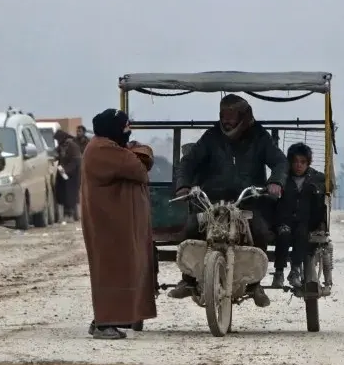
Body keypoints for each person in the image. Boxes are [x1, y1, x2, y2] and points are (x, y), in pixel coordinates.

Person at [168, 94, 288, 307]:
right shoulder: (211, 136)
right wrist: (183, 185)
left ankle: (255, 284)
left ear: (244, 116)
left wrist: (276, 181)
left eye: (231, 115)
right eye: (223, 115)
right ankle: (188, 280)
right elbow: (188, 162)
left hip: (247, 200)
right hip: (212, 201)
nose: (226, 120)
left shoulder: (260, 137)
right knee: (191, 228)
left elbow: (280, 161)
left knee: (260, 232)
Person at [81, 109, 157, 339]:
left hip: (116, 225)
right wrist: (137, 151)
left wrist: (135, 151)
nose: (128, 132)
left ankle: (114, 318)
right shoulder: (103, 149)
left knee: (122, 270)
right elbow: (139, 168)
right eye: (124, 127)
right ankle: (104, 323)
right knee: (110, 272)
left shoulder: (109, 147)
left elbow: (140, 158)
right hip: (108, 226)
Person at [271, 142, 328, 288]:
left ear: (308, 163)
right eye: (295, 161)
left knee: (302, 234)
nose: (298, 165)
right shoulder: (282, 177)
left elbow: (323, 197)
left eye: (302, 162)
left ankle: (295, 271)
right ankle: (279, 272)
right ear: (290, 162)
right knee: (284, 234)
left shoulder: (316, 178)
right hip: (285, 220)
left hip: (304, 221)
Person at [53, 129, 82, 220]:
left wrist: (66, 170)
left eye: (58, 139)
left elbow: (76, 161)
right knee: (61, 193)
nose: (58, 141)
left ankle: (71, 214)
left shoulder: (73, 146)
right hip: (63, 174)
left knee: (71, 195)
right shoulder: (61, 146)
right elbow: (56, 155)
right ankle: (64, 214)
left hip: (72, 175)